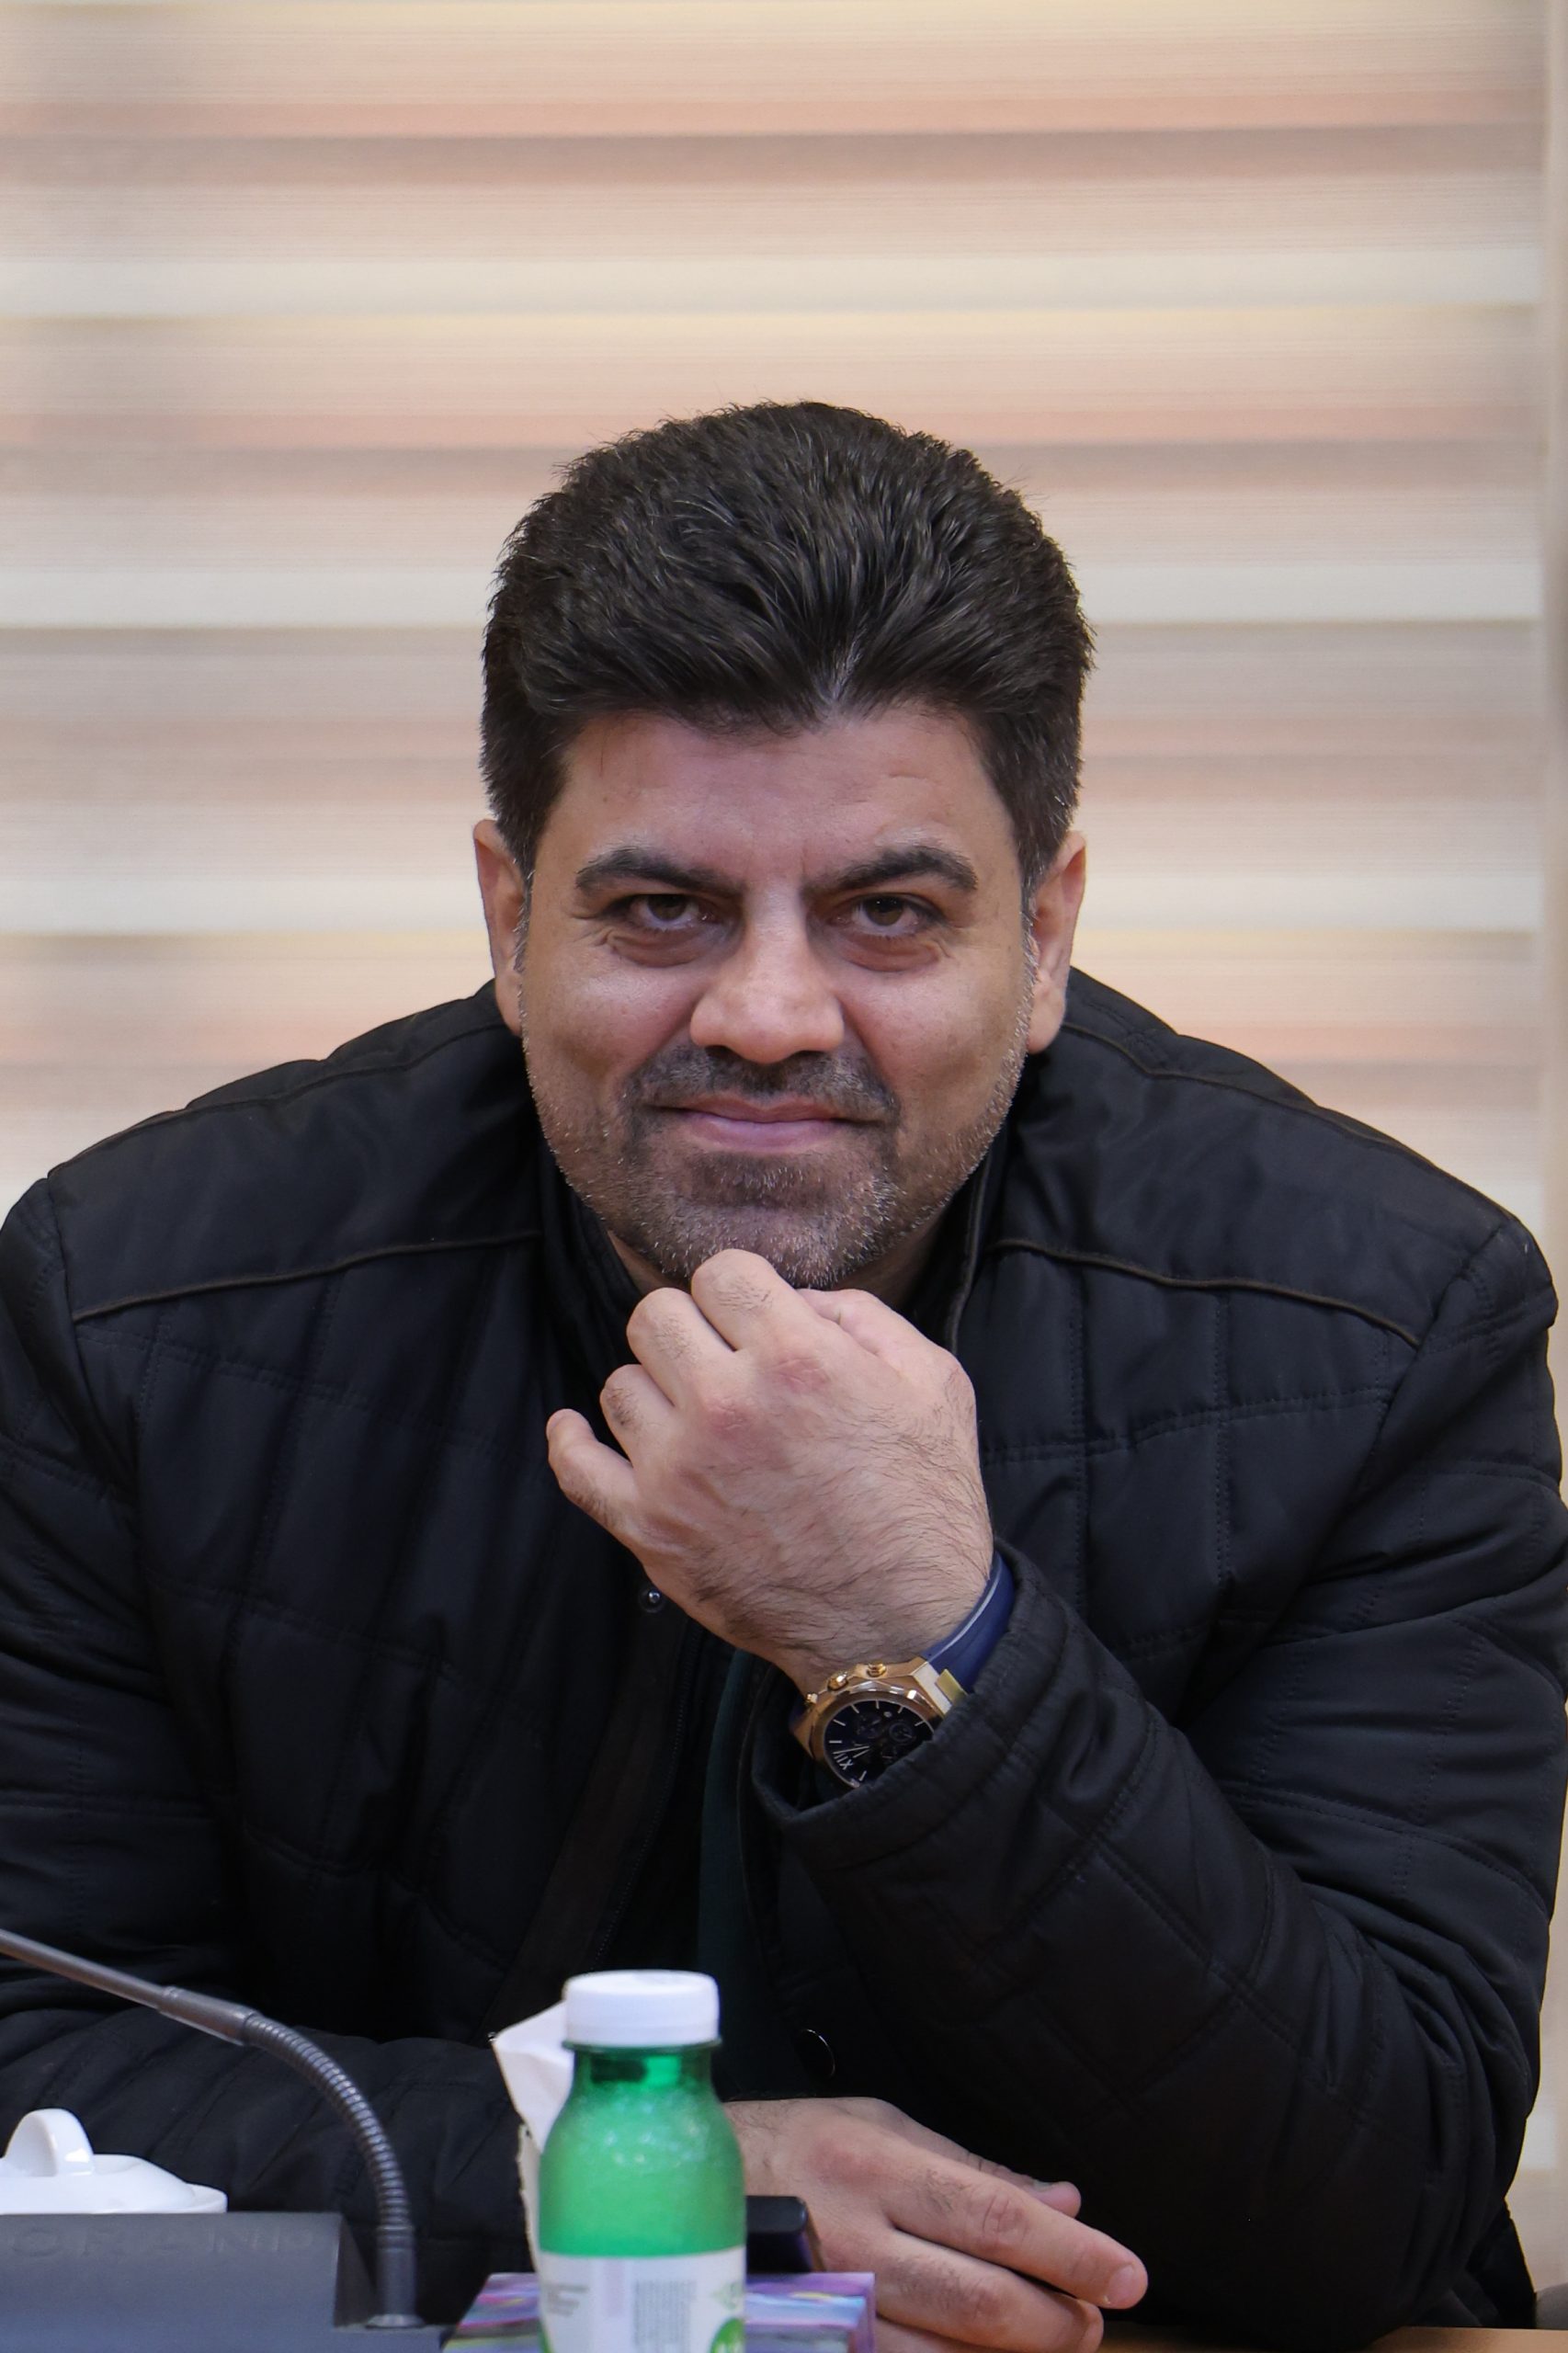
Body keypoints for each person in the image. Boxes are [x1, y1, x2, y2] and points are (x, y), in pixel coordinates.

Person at [0, 402, 1562, 2351]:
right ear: (508, 915)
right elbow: (36, 2061)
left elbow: (1373, 2202)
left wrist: (915, 1635)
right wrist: (655, 2178)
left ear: (1045, 934)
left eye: (886, 912)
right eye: (658, 909)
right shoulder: (140, 1302)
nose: (762, 1012)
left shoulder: (1385, 1324)